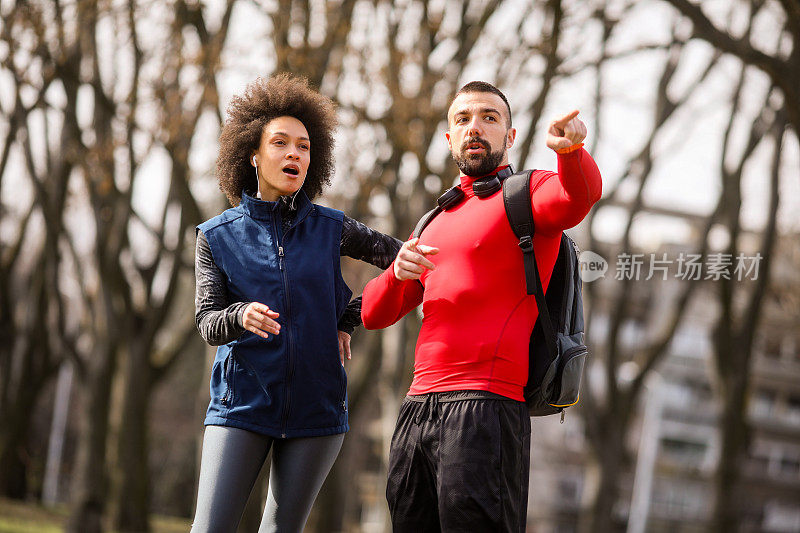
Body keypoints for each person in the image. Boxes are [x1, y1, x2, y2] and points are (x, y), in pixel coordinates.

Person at [361, 81, 602, 532]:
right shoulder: (432, 221)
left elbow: (578, 198)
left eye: (490, 117)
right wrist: (396, 273)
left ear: (510, 136)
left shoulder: (528, 193)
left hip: (487, 408)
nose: (475, 126)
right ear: (449, 138)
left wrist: (571, 152)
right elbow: (375, 314)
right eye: (463, 118)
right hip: (416, 409)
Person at [191, 73, 401, 533]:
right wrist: (239, 315)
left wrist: (348, 318)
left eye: (304, 146)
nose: (294, 154)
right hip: (241, 405)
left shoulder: (332, 227)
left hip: (317, 410)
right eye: (281, 143)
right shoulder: (216, 236)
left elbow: (398, 258)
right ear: (252, 154)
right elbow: (207, 321)